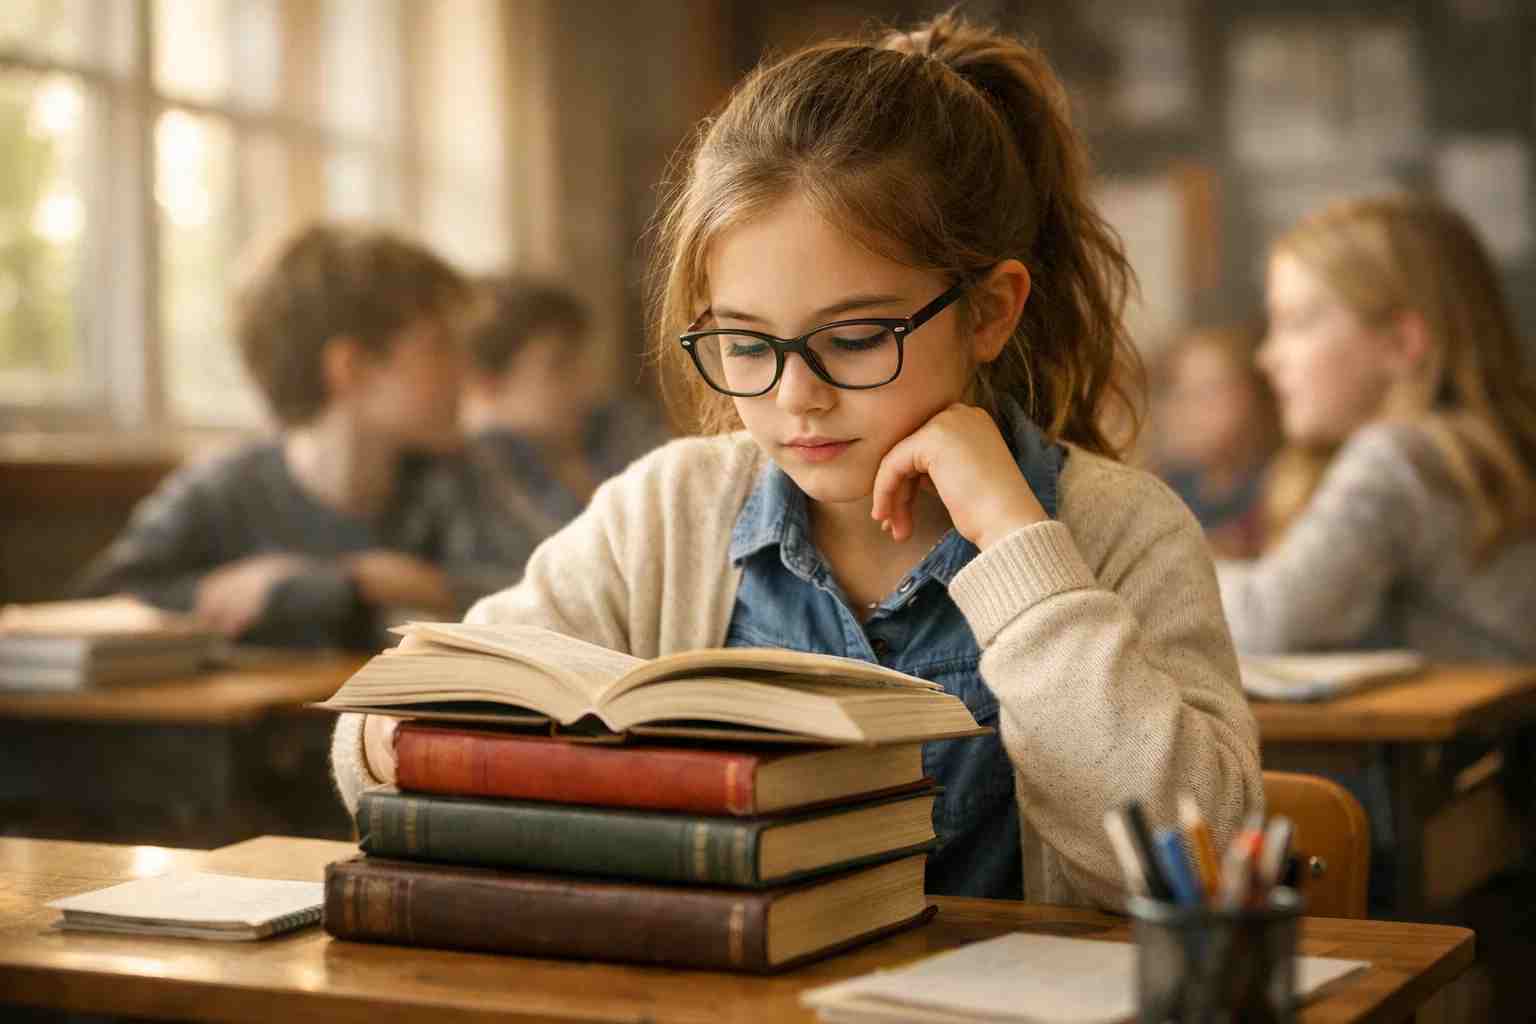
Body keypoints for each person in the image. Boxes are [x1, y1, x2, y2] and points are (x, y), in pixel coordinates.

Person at [331, 12, 1261, 908]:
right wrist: (431, 739)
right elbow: (379, 748)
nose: (794, 396)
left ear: (989, 311)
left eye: (854, 338)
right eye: (745, 343)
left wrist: (1018, 544)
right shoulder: (667, 515)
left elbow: (1200, 865)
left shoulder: (1121, 529)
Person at [77, 222, 520, 650]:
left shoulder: (460, 479)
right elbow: (94, 610)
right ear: (352, 368)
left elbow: (545, 598)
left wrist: (364, 577)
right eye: (439, 346)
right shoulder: (221, 493)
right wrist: (277, 588)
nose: (467, 370)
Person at [1217, 195, 1536, 660]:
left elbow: (1264, 622)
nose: (1267, 357)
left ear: (1401, 343)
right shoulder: (1479, 448)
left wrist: (1156, 568)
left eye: (1297, 323)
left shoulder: (1400, 456)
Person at [459, 274, 671, 553]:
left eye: (582, 359)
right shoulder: (477, 472)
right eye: (558, 365)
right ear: (491, 384)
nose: (585, 379)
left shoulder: (619, 426)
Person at [1153, 324, 1280, 558]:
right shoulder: (1168, 489)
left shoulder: (1276, 488)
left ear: (1250, 396)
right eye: (1179, 392)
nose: (1189, 408)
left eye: (1208, 391)